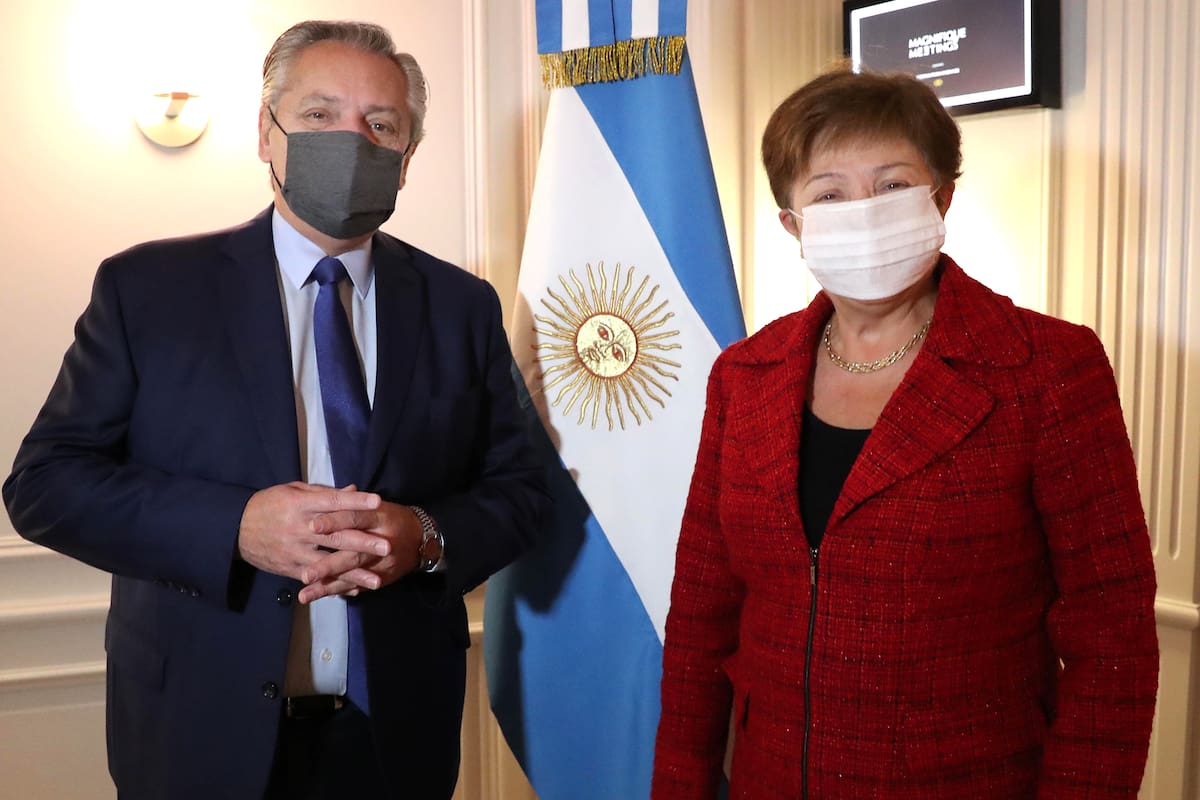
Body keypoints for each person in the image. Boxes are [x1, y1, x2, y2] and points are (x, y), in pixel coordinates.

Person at [3, 19, 548, 800]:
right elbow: (44, 486)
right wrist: (233, 526)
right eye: (321, 115)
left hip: (394, 737)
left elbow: (520, 491)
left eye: (380, 124)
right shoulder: (149, 291)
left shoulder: (460, 305)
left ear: (407, 159)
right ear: (267, 131)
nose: (351, 140)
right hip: (197, 735)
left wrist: (425, 537)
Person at [651, 67, 1158, 799]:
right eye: (829, 194)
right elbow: (703, 616)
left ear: (941, 197)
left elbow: (1113, 639)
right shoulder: (744, 376)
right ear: (794, 225)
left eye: (892, 186)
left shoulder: (1046, 369)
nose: (863, 213)